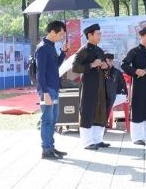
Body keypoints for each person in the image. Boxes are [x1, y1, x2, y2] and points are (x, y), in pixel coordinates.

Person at [121, 27, 146, 145]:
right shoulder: (134, 51)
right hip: (139, 85)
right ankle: (137, 137)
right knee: (138, 108)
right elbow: (124, 65)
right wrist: (135, 71)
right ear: (141, 37)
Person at [72, 23, 110, 150]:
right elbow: (75, 67)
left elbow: (105, 67)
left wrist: (106, 67)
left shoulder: (99, 50)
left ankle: (98, 140)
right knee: (87, 111)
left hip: (100, 85)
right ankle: (87, 142)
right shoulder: (83, 50)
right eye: (98, 34)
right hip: (88, 86)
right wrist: (91, 65)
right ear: (90, 35)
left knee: (100, 110)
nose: (100, 36)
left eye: (100, 33)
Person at [35, 21, 68, 160]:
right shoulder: (42, 48)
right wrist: (45, 93)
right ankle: (46, 150)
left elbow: (55, 67)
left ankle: (51, 147)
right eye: (60, 34)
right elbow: (40, 73)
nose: (62, 37)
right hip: (47, 89)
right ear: (52, 32)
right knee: (47, 120)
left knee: (53, 119)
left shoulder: (51, 46)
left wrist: (63, 53)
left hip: (54, 88)